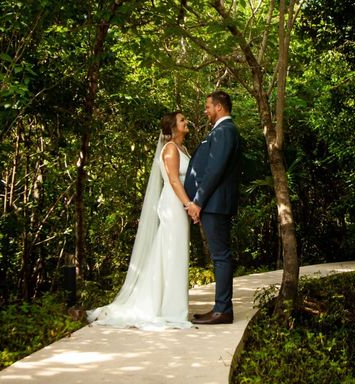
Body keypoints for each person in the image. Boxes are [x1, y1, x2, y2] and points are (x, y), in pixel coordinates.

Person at [86, 112, 193, 330]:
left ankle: (170, 305)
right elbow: (173, 179)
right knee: (172, 252)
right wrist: (188, 205)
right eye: (182, 120)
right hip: (174, 204)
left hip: (179, 203)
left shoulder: (182, 149)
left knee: (173, 252)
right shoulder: (171, 148)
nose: (186, 122)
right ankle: (171, 310)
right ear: (173, 127)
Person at [185, 90, 242, 325]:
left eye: (208, 106)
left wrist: (198, 201)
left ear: (219, 107)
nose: (206, 110)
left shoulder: (225, 131)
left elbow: (214, 170)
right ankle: (220, 308)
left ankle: (222, 310)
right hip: (215, 203)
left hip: (215, 204)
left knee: (220, 256)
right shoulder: (221, 131)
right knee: (220, 256)